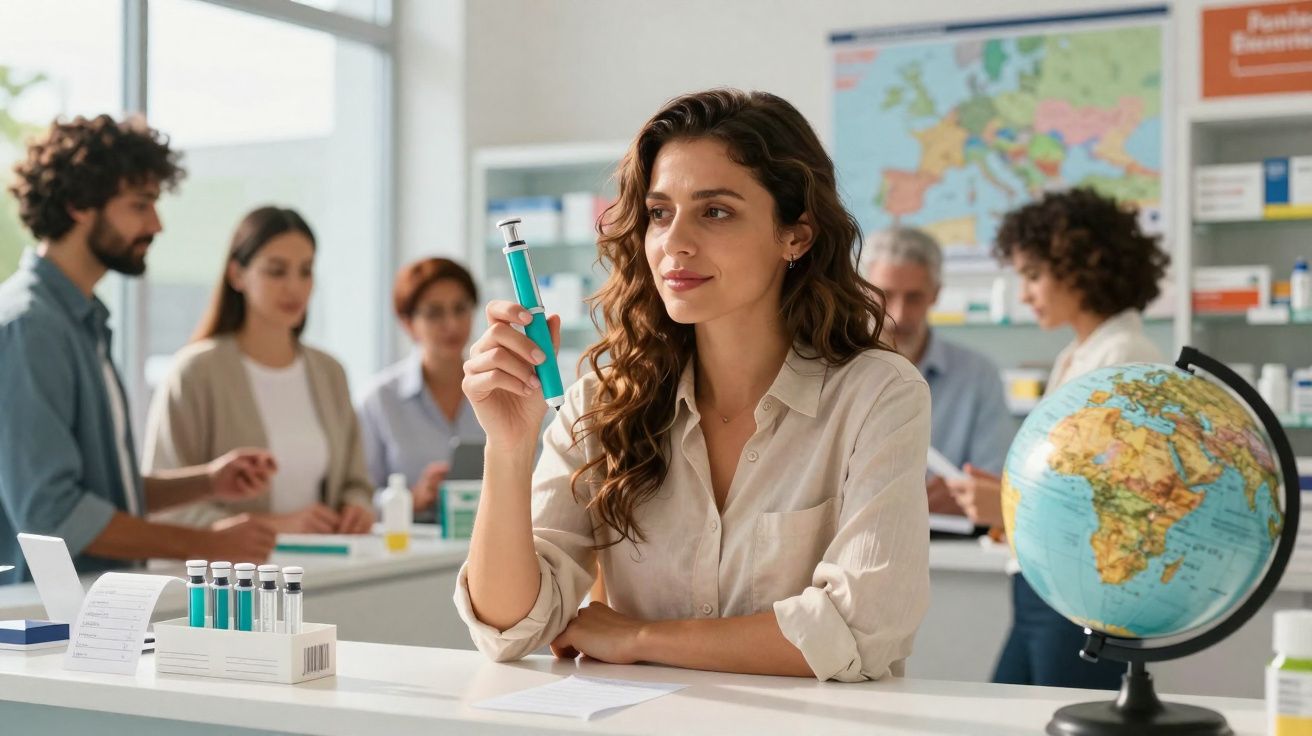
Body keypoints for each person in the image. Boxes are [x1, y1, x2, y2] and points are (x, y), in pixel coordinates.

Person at [455, 89, 931, 681]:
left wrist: (641, 638)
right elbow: (509, 627)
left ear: (796, 236)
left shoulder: (877, 395)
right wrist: (508, 446)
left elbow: (861, 630)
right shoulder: (601, 402)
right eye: (659, 213)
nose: (674, 242)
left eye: (715, 211)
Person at [0, 115, 278, 582]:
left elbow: (104, 493)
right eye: (140, 205)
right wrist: (209, 546)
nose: (157, 224)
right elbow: (54, 514)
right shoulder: (31, 328)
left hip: (85, 616)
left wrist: (208, 481)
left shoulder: (82, 322)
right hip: (39, 627)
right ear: (77, 205)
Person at [947, 187, 1169, 689]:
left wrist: (1006, 507)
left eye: (1033, 275)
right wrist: (1008, 499)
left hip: (1084, 596)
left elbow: (1117, 506)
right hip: (1045, 590)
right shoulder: (1080, 354)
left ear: (1082, 265)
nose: (1025, 294)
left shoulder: (1124, 358)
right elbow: (1064, 478)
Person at [142, 207, 375, 535]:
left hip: (328, 570)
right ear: (237, 275)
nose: (294, 287)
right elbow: (167, 508)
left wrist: (357, 507)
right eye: (276, 271)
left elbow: (356, 482)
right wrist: (275, 527)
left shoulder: (329, 372)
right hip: (236, 577)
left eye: (305, 271)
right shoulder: (196, 372)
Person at [862, 228, 1011, 519]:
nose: (899, 315)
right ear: (863, 290)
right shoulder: (833, 368)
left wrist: (969, 495)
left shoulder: (978, 376)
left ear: (936, 295)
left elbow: (995, 485)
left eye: (914, 298)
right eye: (886, 295)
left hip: (948, 545)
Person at [358, 258, 486, 518]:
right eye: (434, 313)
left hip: (492, 543)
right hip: (410, 551)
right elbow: (357, 497)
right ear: (408, 323)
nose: (451, 324)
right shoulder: (380, 400)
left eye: (460, 308)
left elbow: (536, 473)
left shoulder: (498, 389)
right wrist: (409, 499)